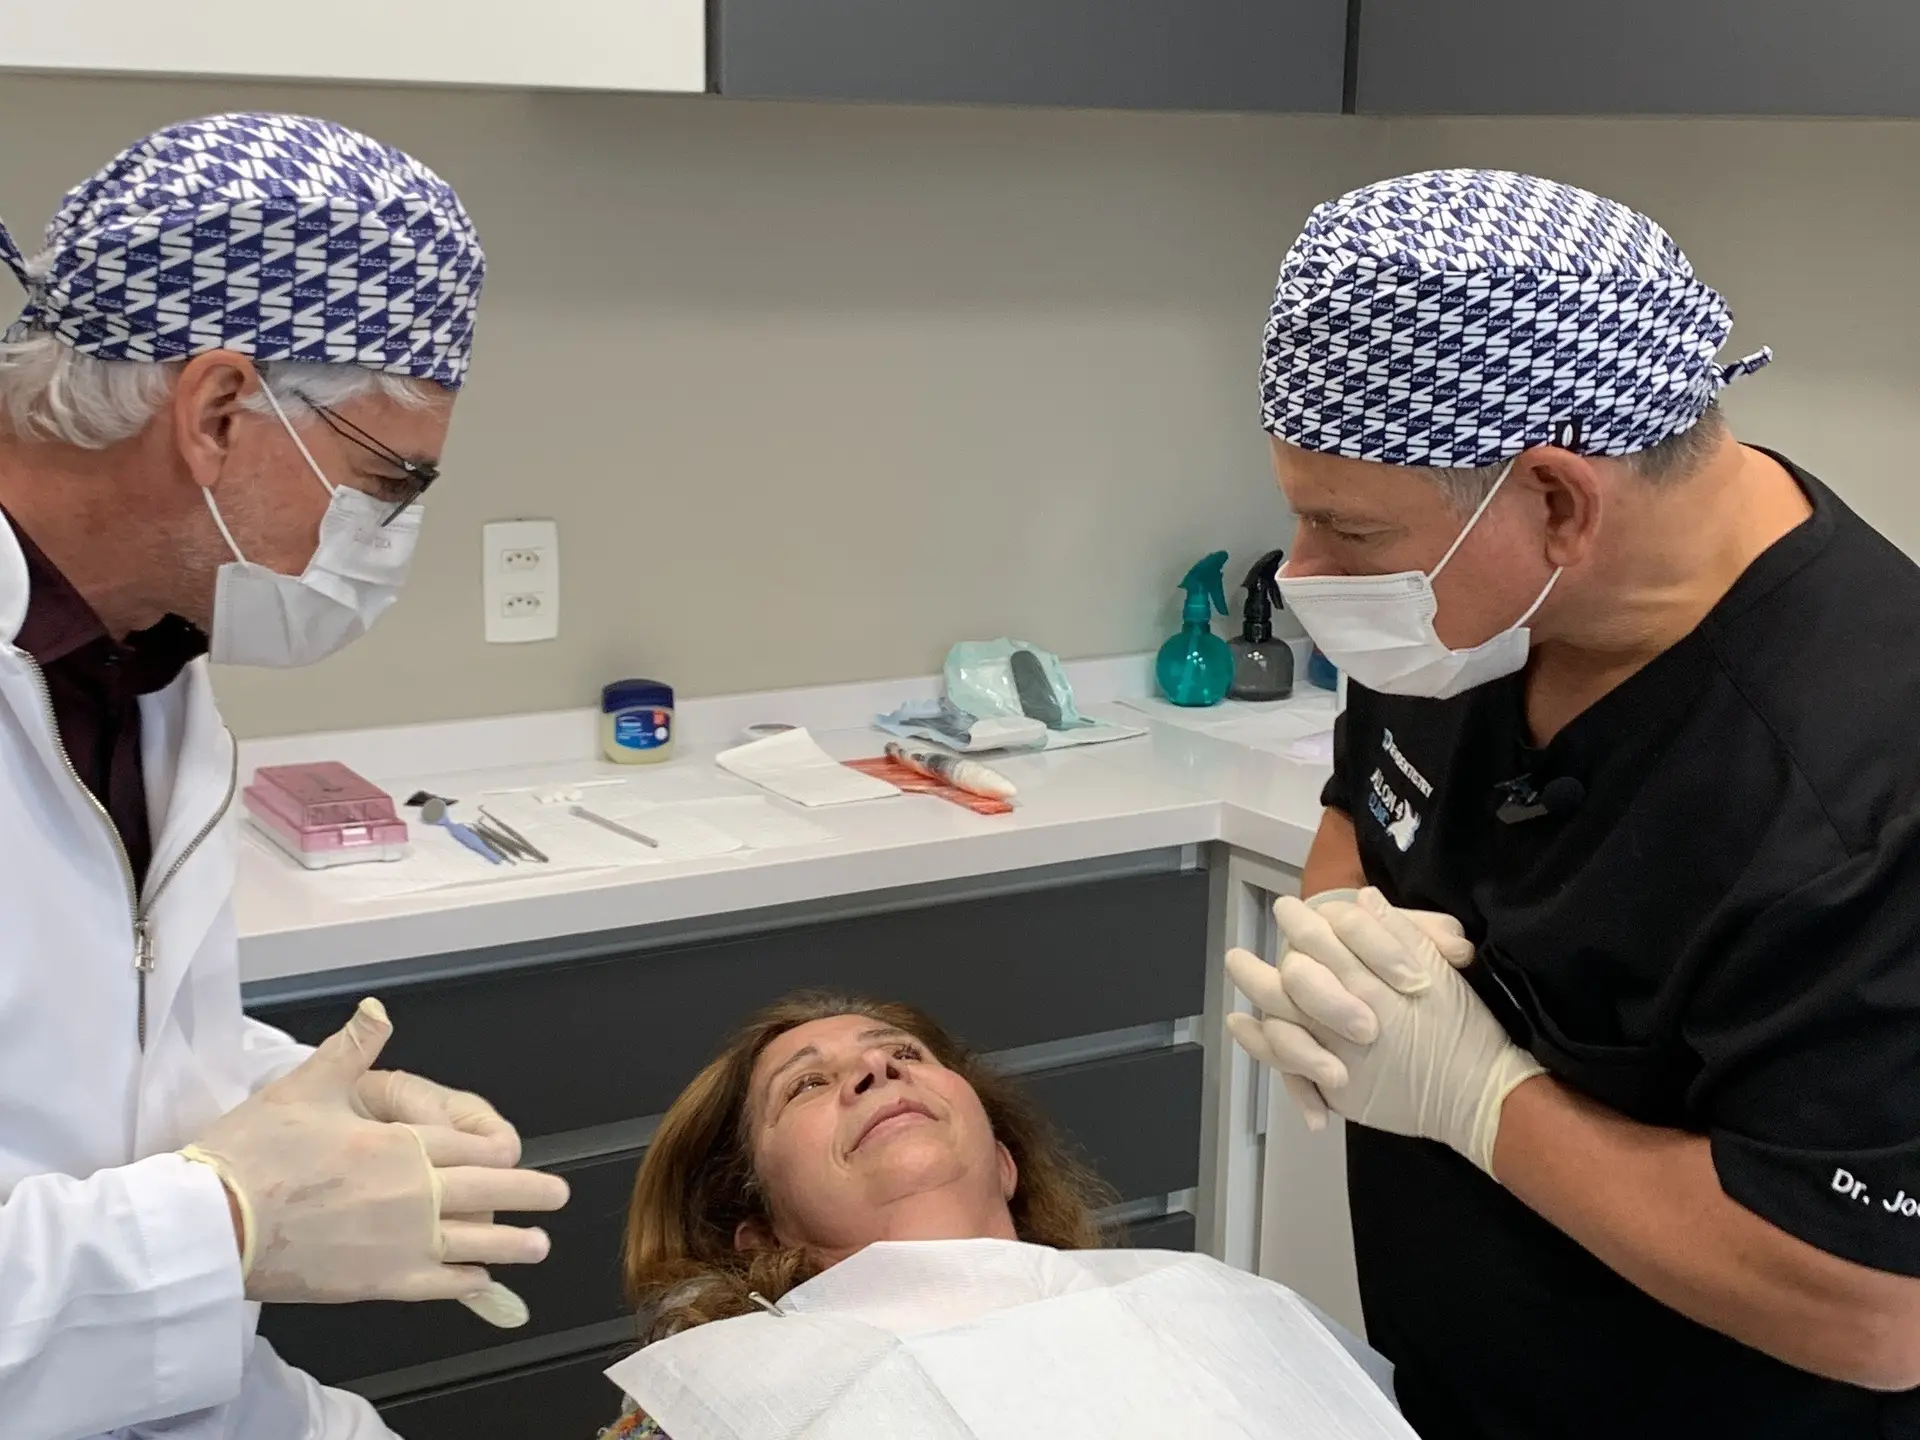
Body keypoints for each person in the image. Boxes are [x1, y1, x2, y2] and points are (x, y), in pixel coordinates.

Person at [1225, 168, 1920, 1437]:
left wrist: (1476, 1101)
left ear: (1556, 501)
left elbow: (1875, 1310)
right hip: (1455, 1380)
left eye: (1348, 533)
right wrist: (1341, 939)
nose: (1304, 574)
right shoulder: (1461, 614)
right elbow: (1367, 806)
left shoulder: (1863, 788)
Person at [0, 113, 568, 1439]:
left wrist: (288, 1107)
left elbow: (90, 1065)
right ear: (216, 410)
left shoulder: (134, 666)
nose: (391, 536)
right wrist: (237, 1218)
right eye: (388, 478)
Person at [602, 992, 1399, 1438]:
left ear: (1005, 1160)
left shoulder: (1212, 1303)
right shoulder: (717, 1405)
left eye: (905, 1054)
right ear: (763, 1232)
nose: (875, 1068)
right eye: (806, 1086)